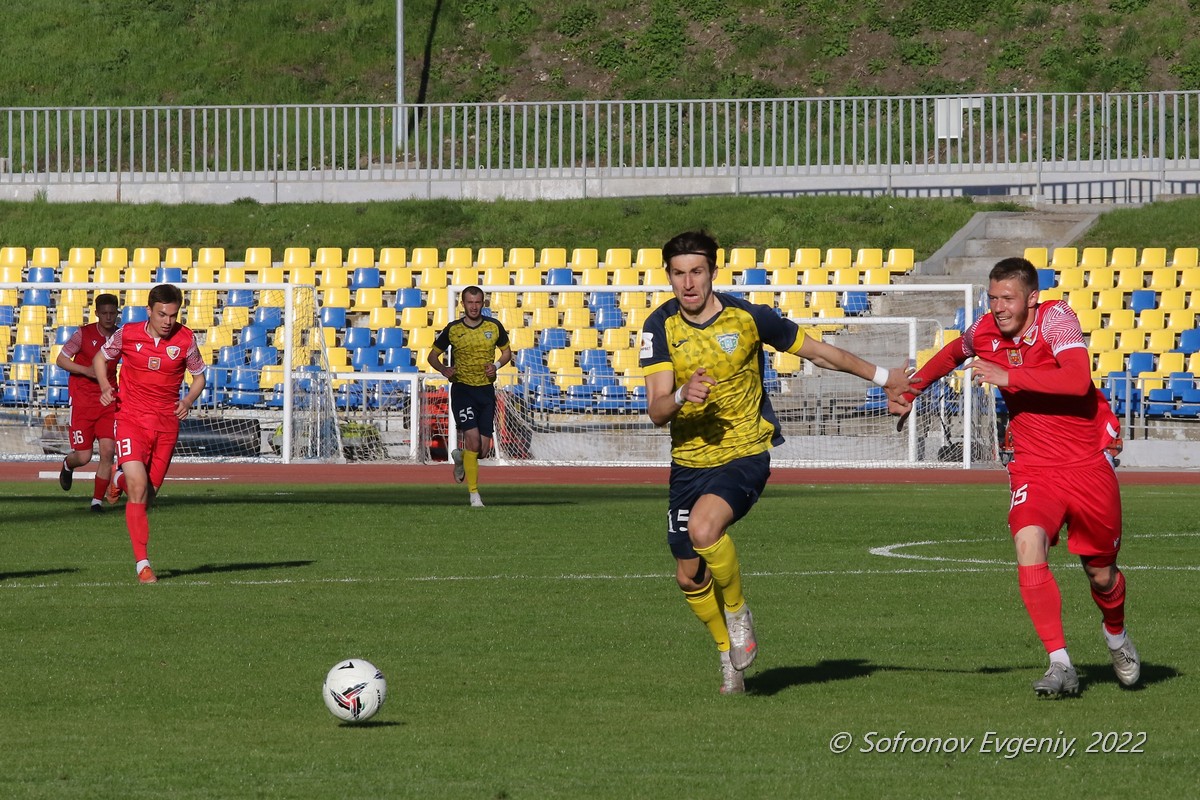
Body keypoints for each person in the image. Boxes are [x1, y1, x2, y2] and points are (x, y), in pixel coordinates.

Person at [640, 230, 914, 695]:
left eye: (697, 272)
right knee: (688, 575)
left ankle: (739, 612)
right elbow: (656, 410)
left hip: (745, 452)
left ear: (713, 272)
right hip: (688, 462)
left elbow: (820, 352)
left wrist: (885, 377)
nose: (688, 283)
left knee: (705, 531)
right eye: (679, 273)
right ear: (668, 276)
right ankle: (729, 655)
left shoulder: (748, 317)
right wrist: (684, 395)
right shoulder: (658, 326)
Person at [891, 256, 1138, 697]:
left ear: (1032, 298)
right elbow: (951, 354)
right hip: (1033, 465)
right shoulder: (983, 330)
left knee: (1101, 573)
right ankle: (1060, 663)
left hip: (1085, 464)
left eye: (1008, 298)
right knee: (1028, 543)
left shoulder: (1056, 319)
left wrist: (1010, 375)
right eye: (992, 297)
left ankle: (1116, 636)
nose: (998, 307)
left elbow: (1079, 381)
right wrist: (912, 390)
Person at [94, 284, 207, 584]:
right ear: (149, 311)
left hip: (166, 425)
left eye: (173, 314)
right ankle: (143, 565)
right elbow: (100, 358)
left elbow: (199, 378)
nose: (168, 321)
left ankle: (117, 479)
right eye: (162, 314)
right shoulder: (128, 334)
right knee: (139, 486)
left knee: (147, 496)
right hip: (130, 418)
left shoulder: (186, 339)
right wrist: (106, 387)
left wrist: (187, 401)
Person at [427, 285, 513, 507]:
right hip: (463, 390)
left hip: (485, 391)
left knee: (482, 451)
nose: (474, 307)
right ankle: (474, 495)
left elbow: (506, 352)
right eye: (470, 302)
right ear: (462, 304)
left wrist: (495, 365)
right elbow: (432, 356)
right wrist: (444, 369)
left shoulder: (494, 327)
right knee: (473, 442)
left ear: (483, 304)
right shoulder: (453, 329)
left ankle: (460, 457)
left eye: (478, 302)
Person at [55, 293, 121, 511]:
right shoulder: (82, 334)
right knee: (83, 456)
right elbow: (61, 359)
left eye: (112, 313)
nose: (109, 317)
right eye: (104, 313)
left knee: (108, 451)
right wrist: (87, 371)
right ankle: (67, 464)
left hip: (108, 401)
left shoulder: (121, 336)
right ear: (97, 314)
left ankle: (96, 502)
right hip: (83, 401)